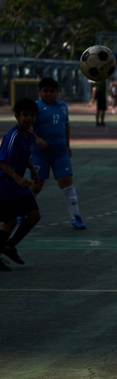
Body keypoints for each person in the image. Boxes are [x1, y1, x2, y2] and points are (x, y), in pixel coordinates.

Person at [31, 77, 86, 230]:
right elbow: (26, 127)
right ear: (39, 92)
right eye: (45, 91)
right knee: (36, 185)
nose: (49, 94)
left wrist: (67, 145)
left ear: (57, 93)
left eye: (52, 91)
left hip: (59, 152)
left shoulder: (62, 107)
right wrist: (36, 139)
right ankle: (22, 210)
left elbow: (66, 126)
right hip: (39, 153)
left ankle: (76, 216)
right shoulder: (35, 107)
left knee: (66, 181)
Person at [0, 98, 45, 271]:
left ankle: (10, 246)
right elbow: (2, 162)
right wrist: (18, 178)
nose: (29, 118)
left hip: (18, 187)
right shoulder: (13, 136)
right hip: (5, 186)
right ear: (17, 116)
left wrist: (32, 168)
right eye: (25, 115)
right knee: (9, 221)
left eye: (32, 115)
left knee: (34, 216)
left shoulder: (30, 136)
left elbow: (22, 156)